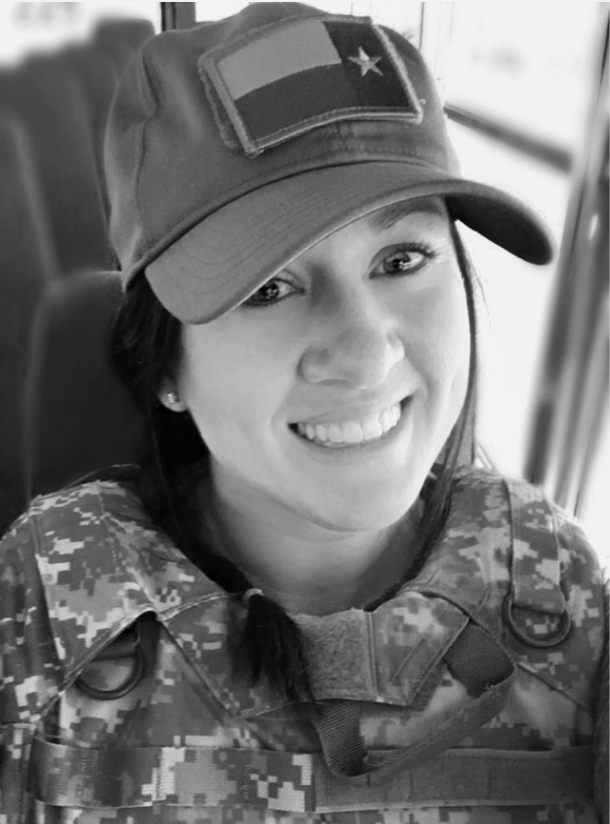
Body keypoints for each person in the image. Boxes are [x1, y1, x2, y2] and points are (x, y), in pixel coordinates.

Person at [0, 3, 606, 822]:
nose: (364, 353)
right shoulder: (44, 596)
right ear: (164, 365)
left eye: (402, 259)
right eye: (269, 288)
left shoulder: (553, 583)